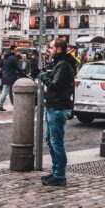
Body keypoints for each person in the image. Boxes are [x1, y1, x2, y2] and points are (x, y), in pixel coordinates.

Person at [39, 39, 76, 187]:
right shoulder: (58, 63)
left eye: (51, 48)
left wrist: (42, 76)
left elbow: (55, 85)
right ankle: (56, 172)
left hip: (58, 107)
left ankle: (60, 175)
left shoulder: (64, 65)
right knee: (50, 140)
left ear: (59, 49)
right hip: (53, 106)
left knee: (56, 142)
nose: (49, 50)